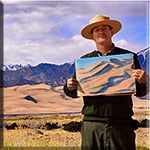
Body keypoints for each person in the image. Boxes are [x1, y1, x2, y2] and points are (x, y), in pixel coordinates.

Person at [63, 14, 148, 150]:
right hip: (92, 125)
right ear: (92, 36)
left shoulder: (129, 58)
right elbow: (71, 92)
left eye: (104, 28)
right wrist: (69, 86)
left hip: (120, 125)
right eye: (96, 30)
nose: (101, 32)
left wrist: (144, 81)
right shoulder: (85, 62)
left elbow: (140, 91)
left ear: (111, 32)